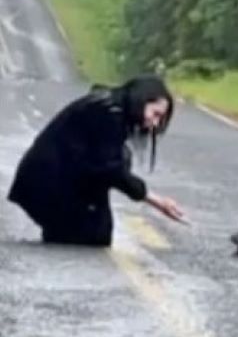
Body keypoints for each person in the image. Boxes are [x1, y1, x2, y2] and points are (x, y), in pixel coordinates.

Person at [6, 74, 186, 247]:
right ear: (141, 100)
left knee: (97, 232)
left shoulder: (110, 107)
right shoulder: (108, 113)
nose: (155, 123)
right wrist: (157, 201)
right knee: (90, 236)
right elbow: (111, 169)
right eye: (155, 114)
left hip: (59, 181)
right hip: (46, 184)